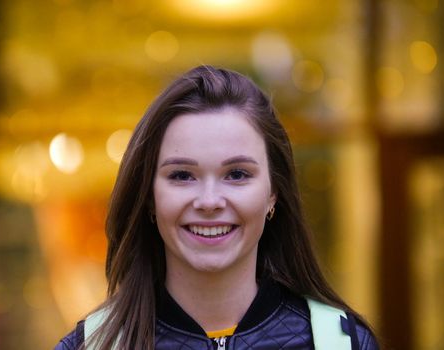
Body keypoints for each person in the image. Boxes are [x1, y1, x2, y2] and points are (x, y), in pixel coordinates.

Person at [55, 65, 379, 349]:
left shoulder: (344, 343)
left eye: (236, 174)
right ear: (149, 197)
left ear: (273, 192)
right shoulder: (89, 346)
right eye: (182, 175)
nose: (209, 202)